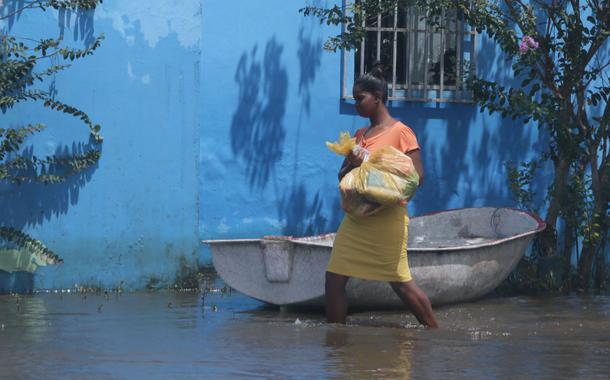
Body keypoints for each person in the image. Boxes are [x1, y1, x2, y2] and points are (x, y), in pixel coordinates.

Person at [326, 63, 439, 328]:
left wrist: (385, 191)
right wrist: (353, 162)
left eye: (360, 98)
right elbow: (343, 177)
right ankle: (335, 341)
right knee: (333, 279)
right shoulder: (359, 136)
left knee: (400, 283)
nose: (356, 105)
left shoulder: (401, 132)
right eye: (353, 99)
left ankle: (434, 332)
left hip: (387, 218)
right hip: (357, 220)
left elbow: (417, 177)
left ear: (377, 98)